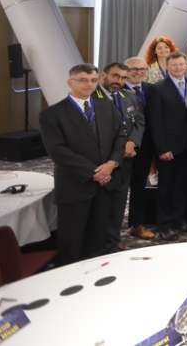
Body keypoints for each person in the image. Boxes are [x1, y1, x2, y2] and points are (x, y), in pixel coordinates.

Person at [39, 64, 125, 265]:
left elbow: (120, 136)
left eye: (93, 80)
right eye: (83, 80)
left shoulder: (106, 106)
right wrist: (95, 172)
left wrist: (112, 163)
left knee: (98, 236)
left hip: (105, 183)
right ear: (70, 82)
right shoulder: (52, 114)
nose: (89, 84)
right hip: (75, 185)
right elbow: (58, 151)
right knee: (72, 240)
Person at [148, 52, 187, 239]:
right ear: (167, 67)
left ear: (186, 66)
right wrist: (162, 148)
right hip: (168, 148)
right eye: (174, 65)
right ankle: (164, 223)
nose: (178, 68)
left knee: (183, 185)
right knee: (166, 186)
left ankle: (179, 219)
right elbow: (155, 121)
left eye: (181, 64)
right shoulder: (158, 88)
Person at [95, 63, 141, 253]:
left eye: (123, 78)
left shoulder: (129, 96)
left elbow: (139, 122)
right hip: (104, 162)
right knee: (101, 207)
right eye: (115, 76)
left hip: (127, 159)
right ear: (103, 75)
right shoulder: (92, 97)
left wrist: (133, 141)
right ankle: (99, 244)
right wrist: (120, 149)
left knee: (119, 203)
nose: (119, 81)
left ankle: (113, 242)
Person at [123, 56, 157, 240]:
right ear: (126, 71)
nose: (138, 73)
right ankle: (110, 229)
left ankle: (136, 224)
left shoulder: (151, 89)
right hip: (122, 147)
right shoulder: (116, 91)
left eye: (142, 69)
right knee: (119, 189)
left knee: (139, 187)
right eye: (133, 69)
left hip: (146, 148)